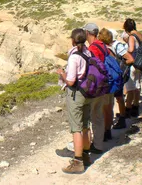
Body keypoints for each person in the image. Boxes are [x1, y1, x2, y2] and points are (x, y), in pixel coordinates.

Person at [57, 28, 92, 174]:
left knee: (76, 128)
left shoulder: (74, 57)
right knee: (85, 125)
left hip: (76, 94)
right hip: (87, 92)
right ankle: (85, 155)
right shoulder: (87, 52)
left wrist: (62, 74)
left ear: (73, 40)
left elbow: (71, 81)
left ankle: (78, 162)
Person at [101, 29, 135, 130]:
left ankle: (119, 120)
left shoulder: (115, 46)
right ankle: (117, 120)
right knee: (117, 99)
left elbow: (130, 59)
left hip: (114, 76)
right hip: (115, 76)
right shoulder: (109, 47)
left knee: (116, 99)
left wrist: (120, 68)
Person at [84, 23, 108, 153]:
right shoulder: (102, 44)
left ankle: (89, 145)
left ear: (87, 33)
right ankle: (98, 143)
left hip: (95, 85)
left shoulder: (92, 48)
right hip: (103, 84)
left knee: (89, 116)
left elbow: (91, 67)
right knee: (98, 115)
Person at [123, 18, 142, 117]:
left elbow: (131, 49)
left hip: (133, 63)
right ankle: (135, 107)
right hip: (141, 63)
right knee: (137, 85)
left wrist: (125, 51)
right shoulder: (140, 35)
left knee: (130, 87)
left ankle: (128, 109)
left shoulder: (132, 36)